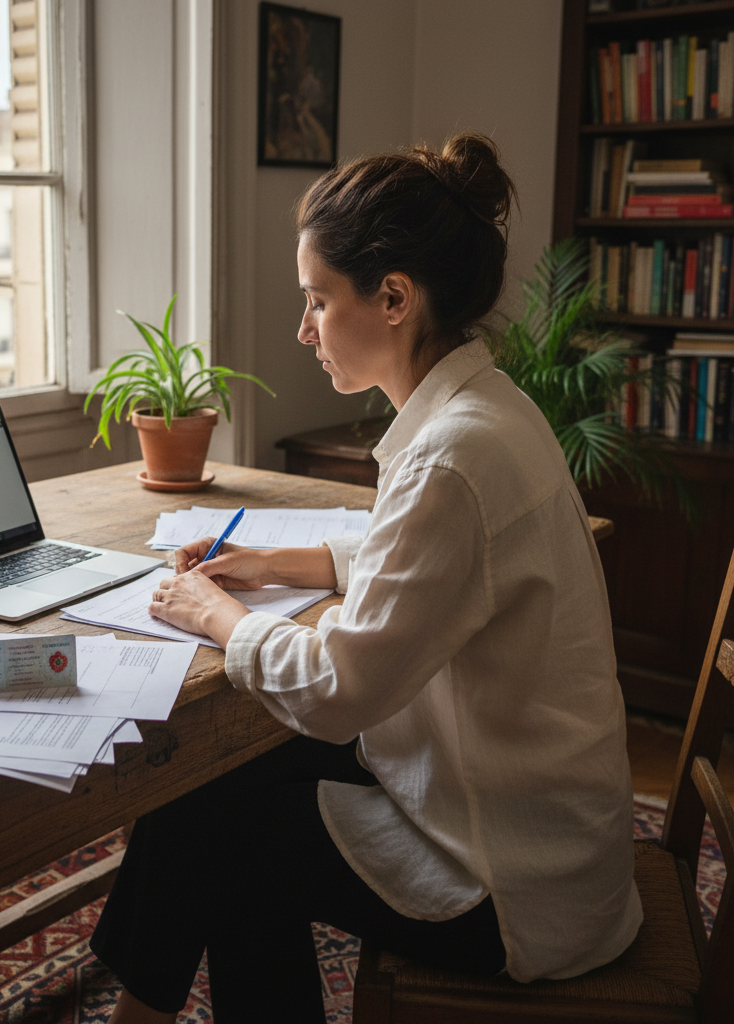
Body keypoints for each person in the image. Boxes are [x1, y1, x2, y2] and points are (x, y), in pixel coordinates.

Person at [90, 133, 642, 1024]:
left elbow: (341, 689)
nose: (302, 328)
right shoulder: (486, 410)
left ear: (393, 298)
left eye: (315, 300)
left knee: (213, 821)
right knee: (212, 786)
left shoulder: (452, 457)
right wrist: (276, 563)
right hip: (539, 826)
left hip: (513, 884)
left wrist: (218, 613)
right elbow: (432, 560)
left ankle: (136, 1014)